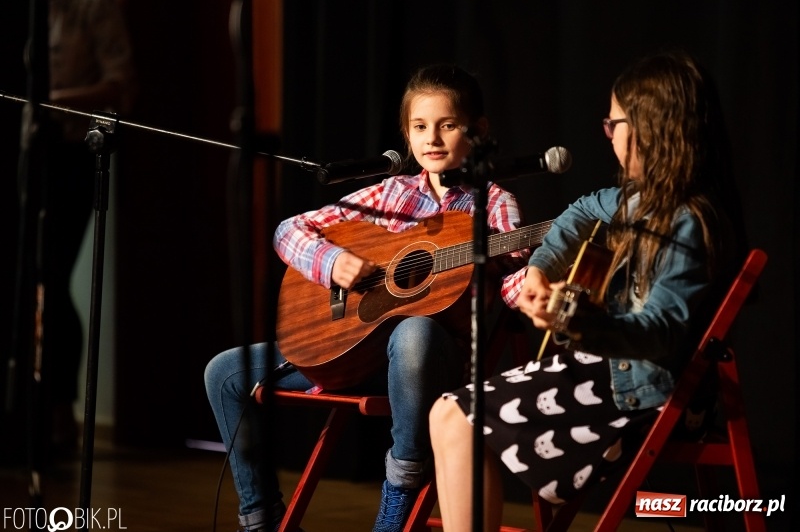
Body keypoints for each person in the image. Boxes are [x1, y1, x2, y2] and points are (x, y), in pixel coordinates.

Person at [204, 64, 531, 532]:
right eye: (420, 127)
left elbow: (513, 281)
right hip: (352, 352)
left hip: (426, 369)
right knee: (224, 374)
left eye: (448, 125)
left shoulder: (494, 204)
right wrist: (333, 262)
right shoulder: (391, 193)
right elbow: (289, 229)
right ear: (406, 133)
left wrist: (538, 275)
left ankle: (397, 501)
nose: (432, 139)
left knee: (414, 330)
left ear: (478, 131)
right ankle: (264, 521)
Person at [429, 51, 743, 530]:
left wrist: (579, 322)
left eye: (613, 123)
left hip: (643, 394)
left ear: (650, 128)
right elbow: (579, 211)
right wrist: (538, 269)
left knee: (456, 420)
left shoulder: (688, 222)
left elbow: (660, 331)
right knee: (448, 413)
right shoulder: (637, 200)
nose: (609, 134)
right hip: (607, 373)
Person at [35, 0, 136, 454]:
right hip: (27, 150)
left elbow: (122, 84)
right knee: (31, 283)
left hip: (69, 151)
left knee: (53, 280)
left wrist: (49, 101)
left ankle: (60, 411)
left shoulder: (94, 7)